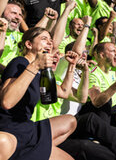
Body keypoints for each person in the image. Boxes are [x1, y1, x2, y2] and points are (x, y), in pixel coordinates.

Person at [0, 27, 76, 159]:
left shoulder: (40, 72)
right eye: (44, 39)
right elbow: (7, 101)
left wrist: (71, 66)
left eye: (51, 41)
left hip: (27, 128)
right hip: (10, 129)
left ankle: (37, 150)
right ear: (29, 44)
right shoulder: (20, 63)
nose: (49, 43)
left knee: (70, 121)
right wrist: (34, 66)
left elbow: (64, 92)